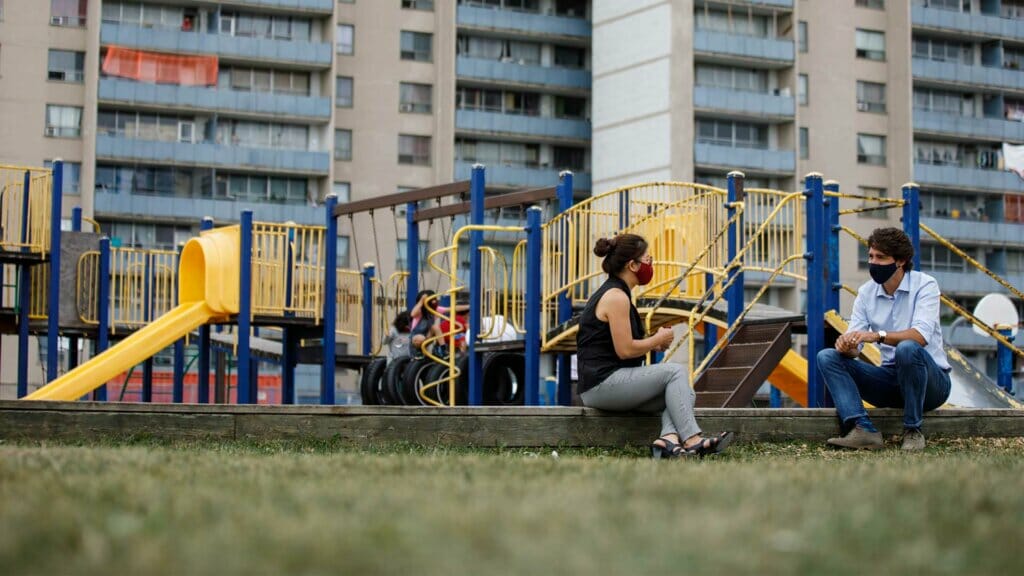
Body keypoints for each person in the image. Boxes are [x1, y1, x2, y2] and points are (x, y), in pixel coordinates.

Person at [576, 234, 733, 459]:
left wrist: (651, 342)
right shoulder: (616, 297)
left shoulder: (618, 294)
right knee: (675, 371)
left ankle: (667, 440)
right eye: (648, 260)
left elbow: (620, 346)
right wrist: (656, 340)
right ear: (633, 265)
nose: (651, 265)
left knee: (682, 392)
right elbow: (625, 350)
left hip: (609, 382)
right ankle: (693, 440)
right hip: (601, 385)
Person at [817, 227, 952, 451]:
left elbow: (920, 336)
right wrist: (846, 345)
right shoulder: (866, 293)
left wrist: (877, 336)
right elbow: (855, 349)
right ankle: (862, 429)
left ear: (900, 261)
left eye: (881, 257)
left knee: (907, 349)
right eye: (870, 256)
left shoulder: (925, 285)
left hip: (931, 383)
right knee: (827, 357)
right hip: (891, 380)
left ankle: (913, 431)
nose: (873, 262)